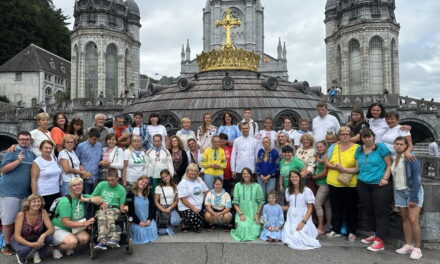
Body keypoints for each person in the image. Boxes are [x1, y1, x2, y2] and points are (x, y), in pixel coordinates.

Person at [351, 128, 393, 250]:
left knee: (380, 212)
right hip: (363, 183)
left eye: (368, 136)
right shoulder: (359, 150)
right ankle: (373, 234)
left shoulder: (381, 147)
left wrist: (385, 178)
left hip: (379, 184)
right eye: (364, 137)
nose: (366, 139)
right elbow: (357, 169)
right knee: (369, 210)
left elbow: (389, 164)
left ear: (373, 137)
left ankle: (380, 241)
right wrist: (342, 169)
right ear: (361, 138)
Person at [0, 131, 37, 255]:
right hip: (10, 192)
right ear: (18, 140)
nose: (24, 141)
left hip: (25, 193)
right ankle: (6, 245)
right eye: (22, 139)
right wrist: (17, 161)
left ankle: (16, 242)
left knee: (21, 220)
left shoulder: (32, 154)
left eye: (27, 139)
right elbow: (3, 170)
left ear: (30, 140)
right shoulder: (11, 152)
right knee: (8, 220)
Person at [51, 177, 102, 259]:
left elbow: (99, 199)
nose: (77, 187)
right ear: (70, 188)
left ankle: (69, 244)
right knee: (72, 242)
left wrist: (86, 199)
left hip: (74, 228)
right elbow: (65, 222)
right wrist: (84, 224)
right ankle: (56, 247)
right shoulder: (66, 201)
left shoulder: (83, 197)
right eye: (74, 185)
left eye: (79, 184)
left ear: (82, 185)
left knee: (85, 239)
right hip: (60, 228)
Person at [392, 137, 424, 260]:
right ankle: (408, 245)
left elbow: (416, 179)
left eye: (401, 144)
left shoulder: (411, 158)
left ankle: (417, 248)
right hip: (399, 192)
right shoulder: (395, 158)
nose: (399, 146)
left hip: (412, 191)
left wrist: (414, 197)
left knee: (413, 219)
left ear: (406, 146)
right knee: (405, 219)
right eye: (397, 144)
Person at [325, 127, 359, 239]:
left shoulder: (357, 148)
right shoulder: (333, 147)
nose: (345, 136)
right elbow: (326, 162)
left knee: (351, 207)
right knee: (335, 207)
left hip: (350, 182)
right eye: (342, 134)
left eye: (347, 134)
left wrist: (344, 169)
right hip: (334, 181)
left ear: (351, 135)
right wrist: (334, 166)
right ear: (339, 136)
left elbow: (358, 167)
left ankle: (352, 231)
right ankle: (336, 229)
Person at [282, 170, 321, 250]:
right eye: (292, 177)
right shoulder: (288, 190)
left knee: (299, 237)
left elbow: (310, 208)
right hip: (291, 219)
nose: (294, 178)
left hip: (303, 217)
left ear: (300, 178)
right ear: (289, 179)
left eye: (296, 177)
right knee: (288, 236)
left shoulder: (307, 190)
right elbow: (290, 206)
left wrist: (303, 222)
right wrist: (278, 207)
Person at [11, 194, 54, 264]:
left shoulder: (43, 212)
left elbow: (51, 229)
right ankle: (20, 256)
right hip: (22, 239)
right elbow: (17, 236)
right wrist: (31, 245)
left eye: (38, 201)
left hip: (36, 237)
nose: (36, 203)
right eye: (34, 201)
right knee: (24, 251)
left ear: (41, 202)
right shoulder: (21, 215)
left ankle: (37, 252)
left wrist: (43, 236)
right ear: (28, 203)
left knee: (49, 238)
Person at [91, 168, 128, 250]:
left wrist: (125, 208)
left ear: (117, 178)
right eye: (108, 180)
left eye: (113, 180)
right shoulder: (101, 185)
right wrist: (101, 201)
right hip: (102, 209)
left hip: (114, 209)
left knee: (109, 214)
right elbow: (92, 197)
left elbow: (121, 206)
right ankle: (102, 241)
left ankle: (114, 237)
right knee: (101, 215)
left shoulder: (121, 189)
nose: (110, 182)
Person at [231, 167, 264, 241]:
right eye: (244, 174)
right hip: (242, 213)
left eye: (248, 173)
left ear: (251, 175)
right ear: (242, 175)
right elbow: (235, 204)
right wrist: (241, 214)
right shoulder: (237, 186)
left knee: (256, 229)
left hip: (253, 214)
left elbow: (261, 202)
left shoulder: (257, 186)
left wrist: (257, 214)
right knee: (244, 227)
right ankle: (238, 225)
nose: (246, 175)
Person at [177, 164, 209, 233]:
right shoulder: (183, 182)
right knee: (198, 227)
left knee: (204, 223)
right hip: (187, 207)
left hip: (199, 207)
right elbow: (183, 199)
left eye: (195, 171)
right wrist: (193, 208)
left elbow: (207, 191)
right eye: (191, 170)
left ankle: (190, 221)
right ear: (187, 171)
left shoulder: (199, 180)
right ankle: (184, 221)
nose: (193, 172)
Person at [31, 140, 61, 211]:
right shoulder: (37, 162)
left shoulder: (54, 158)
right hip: (43, 194)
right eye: (46, 148)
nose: (48, 150)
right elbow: (33, 180)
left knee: (54, 215)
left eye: (50, 148)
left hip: (56, 192)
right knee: (44, 215)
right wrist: (35, 196)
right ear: (40, 149)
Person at [127, 176, 158, 244]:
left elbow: (152, 207)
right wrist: (138, 222)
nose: (143, 183)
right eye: (142, 181)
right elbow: (130, 211)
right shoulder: (130, 194)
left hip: (147, 220)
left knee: (152, 228)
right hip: (136, 221)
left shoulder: (148, 194)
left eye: (146, 183)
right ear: (138, 181)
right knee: (140, 232)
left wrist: (149, 219)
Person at [312, 141, 332, 235]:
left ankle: (320, 226)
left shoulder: (326, 156)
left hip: (324, 184)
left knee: (317, 204)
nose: (319, 148)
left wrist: (314, 177)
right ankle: (328, 224)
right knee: (327, 204)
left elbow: (325, 172)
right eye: (318, 147)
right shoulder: (320, 156)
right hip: (320, 184)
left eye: (321, 147)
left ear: (325, 147)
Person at [75, 128, 102, 194]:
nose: (95, 141)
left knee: (95, 197)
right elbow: (76, 160)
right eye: (94, 139)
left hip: (96, 177)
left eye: (97, 139)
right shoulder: (81, 146)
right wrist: (81, 168)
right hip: (85, 178)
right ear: (88, 137)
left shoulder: (99, 145)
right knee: (86, 197)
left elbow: (100, 158)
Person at [154, 169, 181, 235]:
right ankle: (166, 227)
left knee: (176, 221)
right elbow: (156, 201)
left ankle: (169, 225)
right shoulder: (159, 187)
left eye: (166, 176)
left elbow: (176, 200)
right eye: (163, 177)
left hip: (171, 207)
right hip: (162, 207)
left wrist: (169, 208)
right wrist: (163, 209)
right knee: (161, 232)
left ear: (169, 175)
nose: (165, 178)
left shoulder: (175, 186)